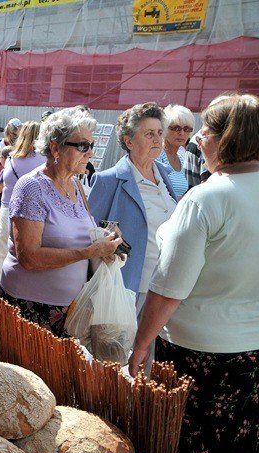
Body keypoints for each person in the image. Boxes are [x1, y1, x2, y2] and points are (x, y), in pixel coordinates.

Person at [128, 94, 259, 453]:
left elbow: (168, 288)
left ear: (227, 139)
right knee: (246, 450)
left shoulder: (207, 199)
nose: (199, 139)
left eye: (207, 130)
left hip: (204, 357)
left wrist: (141, 346)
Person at [0, 107, 122, 336]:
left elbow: (81, 235)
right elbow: (29, 258)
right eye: (83, 146)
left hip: (70, 308)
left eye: (92, 146)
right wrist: (89, 251)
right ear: (55, 147)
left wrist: (107, 246)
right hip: (31, 306)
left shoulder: (75, 185)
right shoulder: (32, 187)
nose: (90, 153)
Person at [89, 103, 177, 367]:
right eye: (149, 133)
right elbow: (92, 233)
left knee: (149, 364)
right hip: (128, 287)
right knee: (115, 362)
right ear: (128, 140)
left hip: (163, 289)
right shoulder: (109, 180)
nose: (158, 139)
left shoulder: (166, 176)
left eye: (160, 132)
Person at [0, 121, 45, 283]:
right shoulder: (45, 162)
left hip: (7, 210)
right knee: (27, 254)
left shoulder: (11, 159)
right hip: (34, 214)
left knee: (2, 253)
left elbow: (2, 185)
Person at [157, 104, 193, 199]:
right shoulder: (156, 157)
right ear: (164, 128)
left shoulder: (182, 159)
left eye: (187, 129)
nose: (182, 133)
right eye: (176, 128)